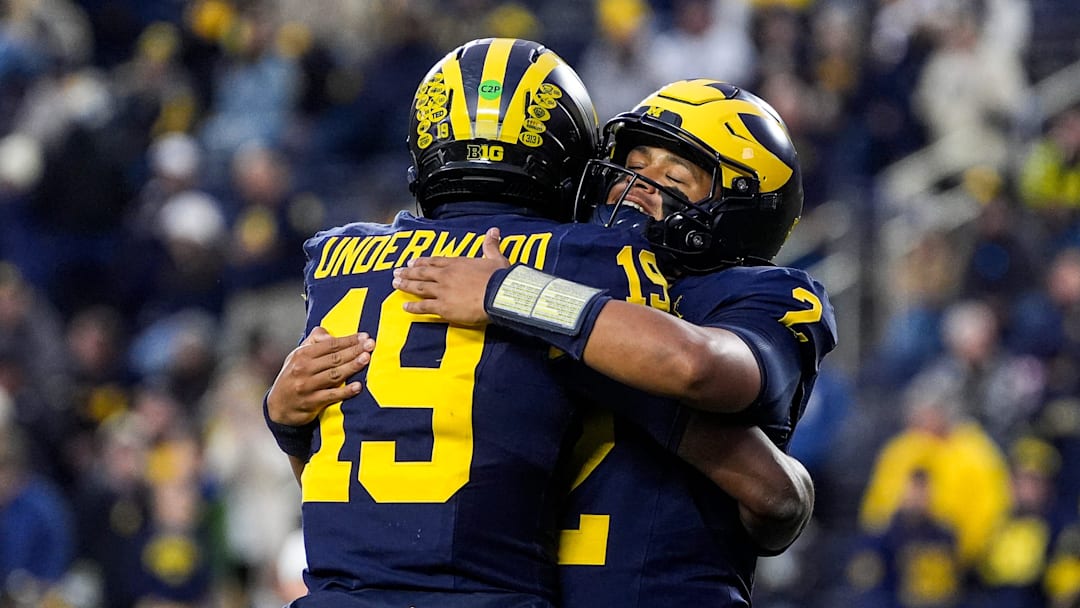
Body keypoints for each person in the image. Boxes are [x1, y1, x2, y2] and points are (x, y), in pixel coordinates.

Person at [391, 79, 838, 605]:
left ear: (740, 211)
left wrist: (518, 298)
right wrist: (292, 421)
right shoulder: (551, 261)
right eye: (633, 162)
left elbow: (701, 367)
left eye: (675, 176)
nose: (638, 183)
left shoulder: (761, 292)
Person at [264, 37, 673, 608]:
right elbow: (681, 373)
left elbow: (340, 470)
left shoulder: (335, 260)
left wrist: (282, 421)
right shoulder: (589, 256)